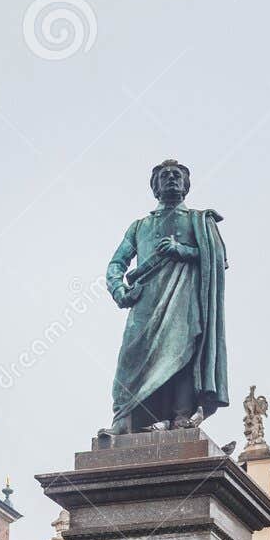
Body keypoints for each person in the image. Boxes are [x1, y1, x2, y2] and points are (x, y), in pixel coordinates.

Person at [103, 159, 229, 433]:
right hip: (144, 303)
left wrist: (180, 250)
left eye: (177, 175)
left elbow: (218, 260)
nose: (171, 178)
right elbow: (116, 264)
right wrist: (119, 289)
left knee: (182, 354)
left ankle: (179, 417)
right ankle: (125, 422)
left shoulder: (199, 221)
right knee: (130, 361)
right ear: (155, 187)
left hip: (184, 302)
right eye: (164, 176)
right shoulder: (140, 226)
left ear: (185, 185)